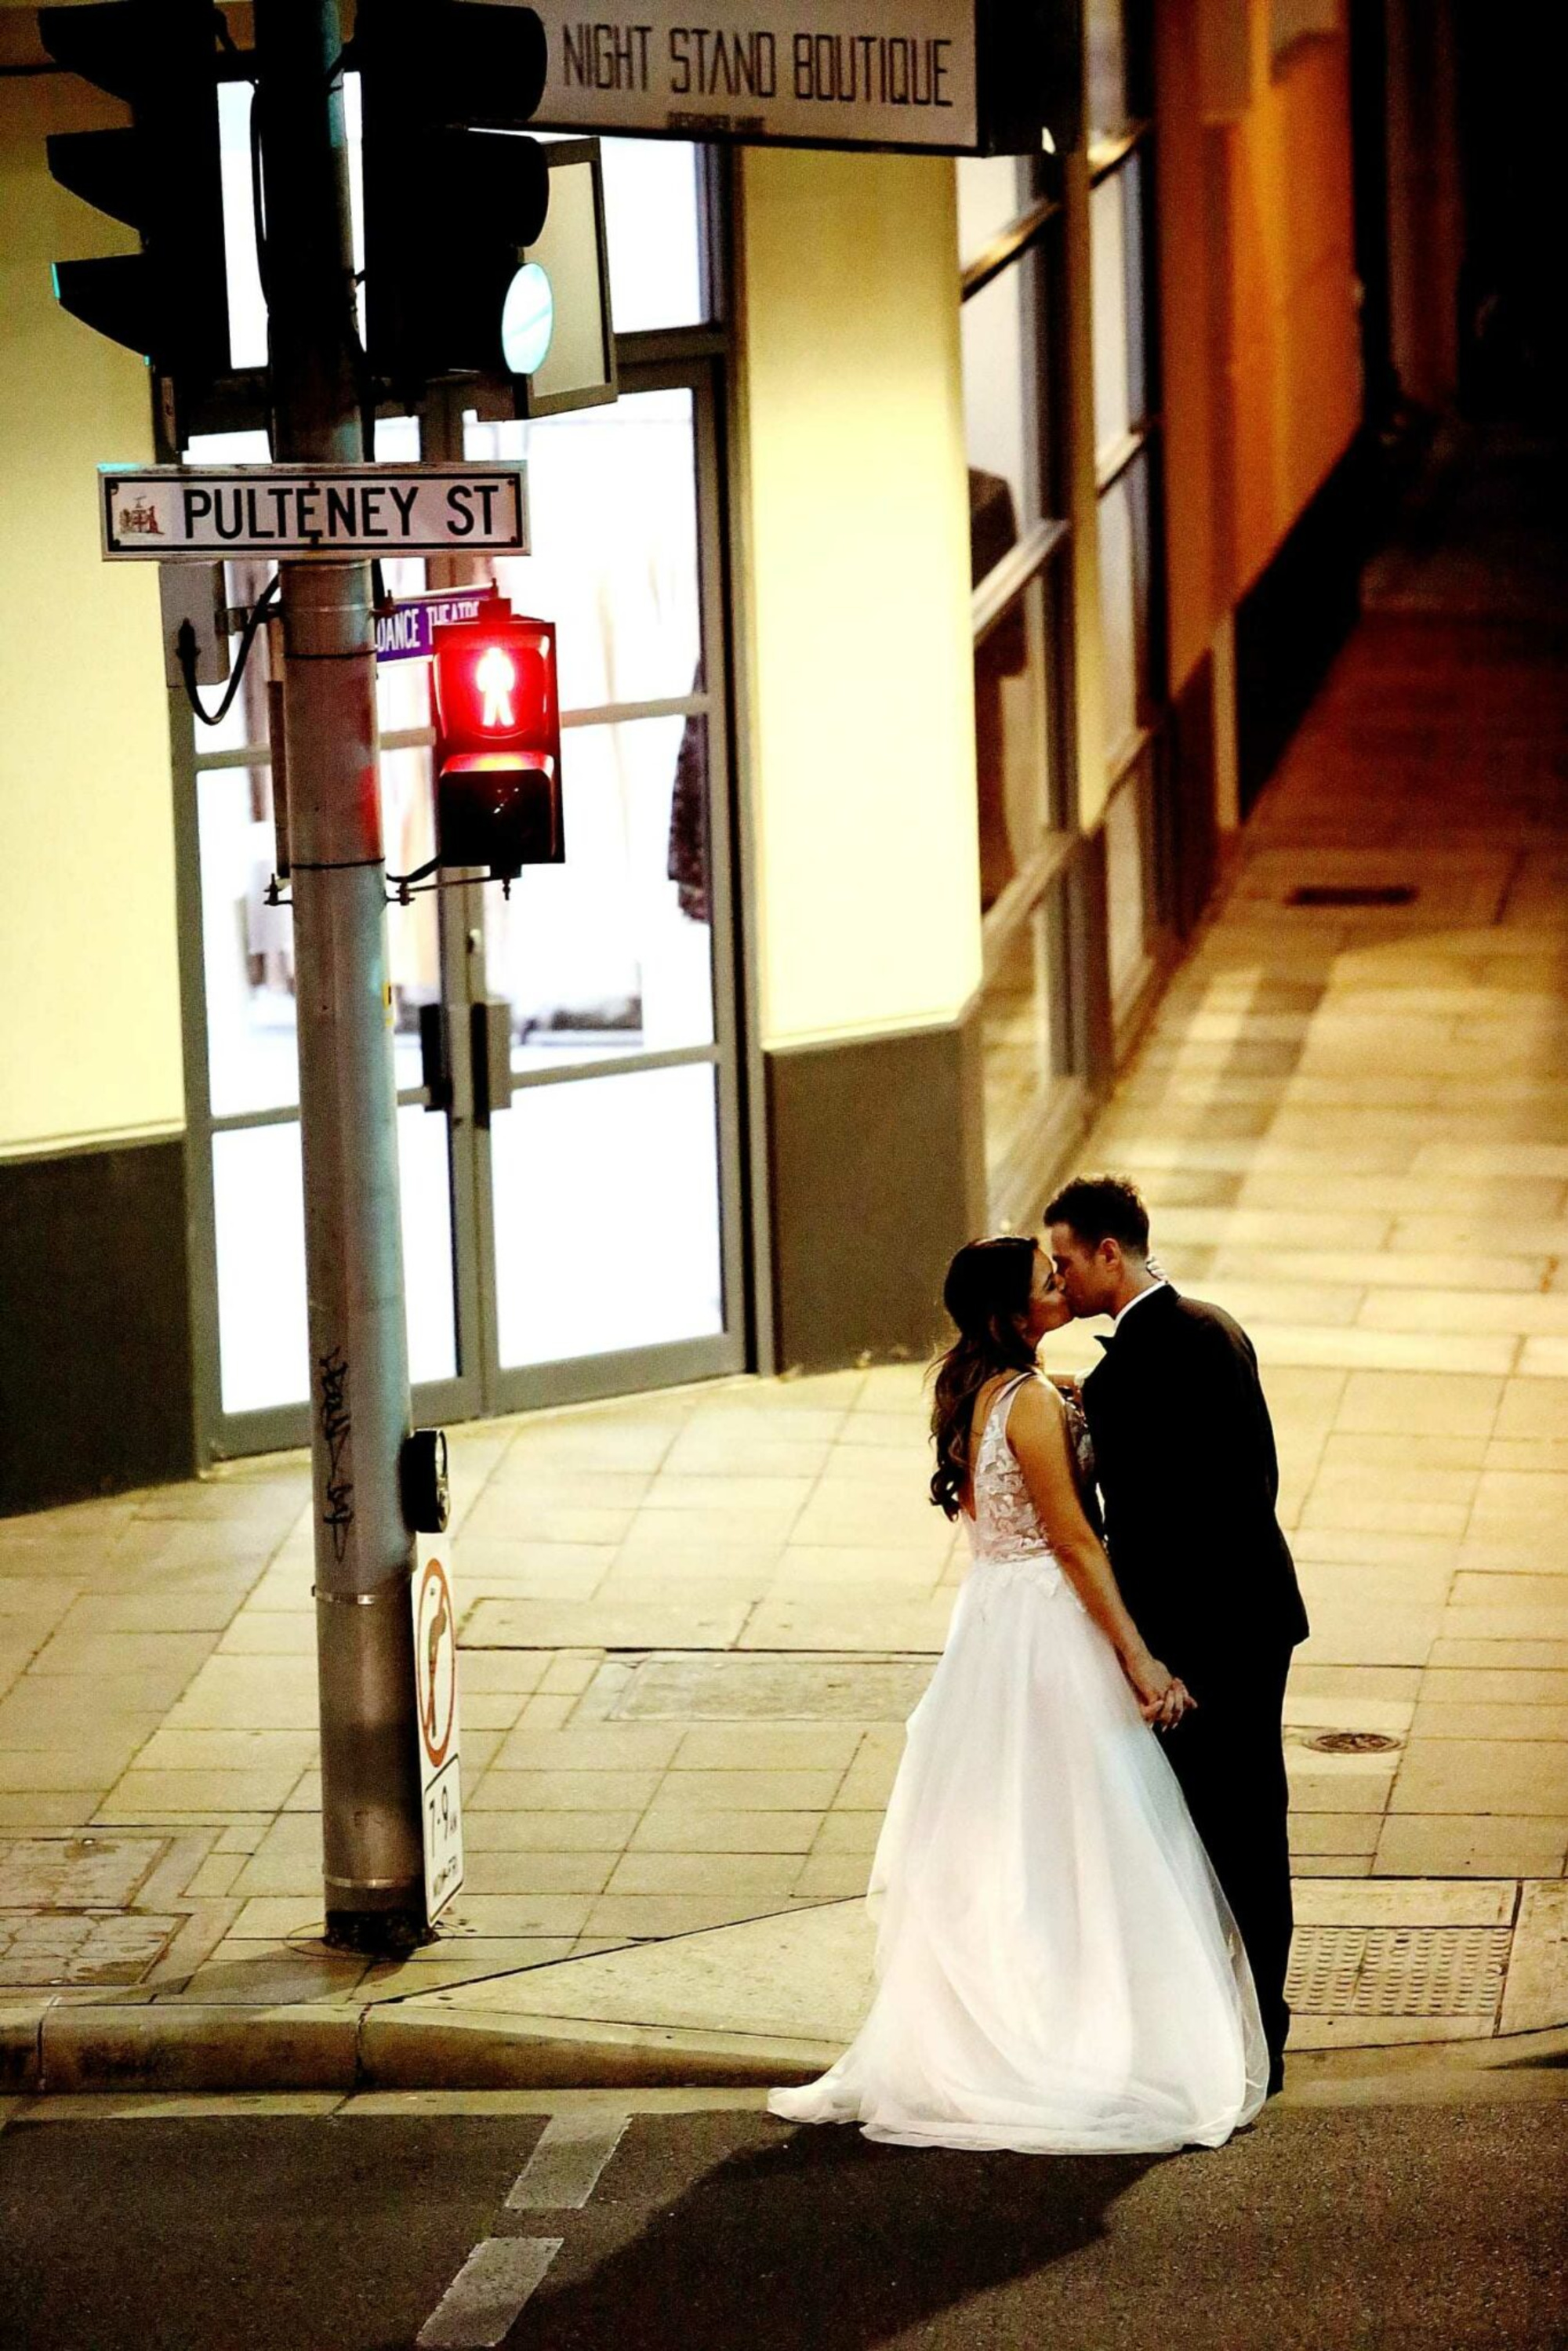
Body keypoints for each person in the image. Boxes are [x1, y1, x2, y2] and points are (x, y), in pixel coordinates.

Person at [768, 1235, 1267, 2154]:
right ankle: (1069, 2038)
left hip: (993, 1620)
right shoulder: (1029, 1403)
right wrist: (1138, 1658)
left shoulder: (982, 1390)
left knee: (1014, 1838)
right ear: (1010, 1312)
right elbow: (1076, 1544)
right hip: (1045, 1626)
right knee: (1084, 1831)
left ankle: (1021, 2016)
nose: (1060, 1286)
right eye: (1046, 1281)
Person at [1044, 1174, 1308, 2098]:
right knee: (1227, 1823)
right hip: (1238, 1621)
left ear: (1109, 1253)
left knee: (1232, 1827)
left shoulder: (1181, 1347)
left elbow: (1215, 1508)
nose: (1059, 1277)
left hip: (1219, 1636)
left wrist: (1171, 1661)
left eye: (1066, 1260)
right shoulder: (1200, 1331)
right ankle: (1241, 2019)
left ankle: (1259, 2029)